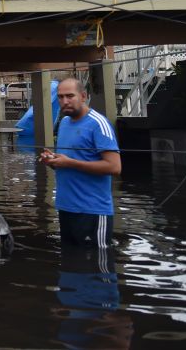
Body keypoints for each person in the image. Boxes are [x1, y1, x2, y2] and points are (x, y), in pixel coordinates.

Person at [39, 78, 121, 248]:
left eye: (70, 96)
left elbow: (114, 167)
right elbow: (69, 160)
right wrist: (53, 160)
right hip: (66, 207)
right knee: (71, 263)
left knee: (97, 267)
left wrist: (70, 163)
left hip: (92, 211)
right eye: (60, 97)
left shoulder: (98, 123)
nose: (64, 101)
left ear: (83, 96)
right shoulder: (64, 123)